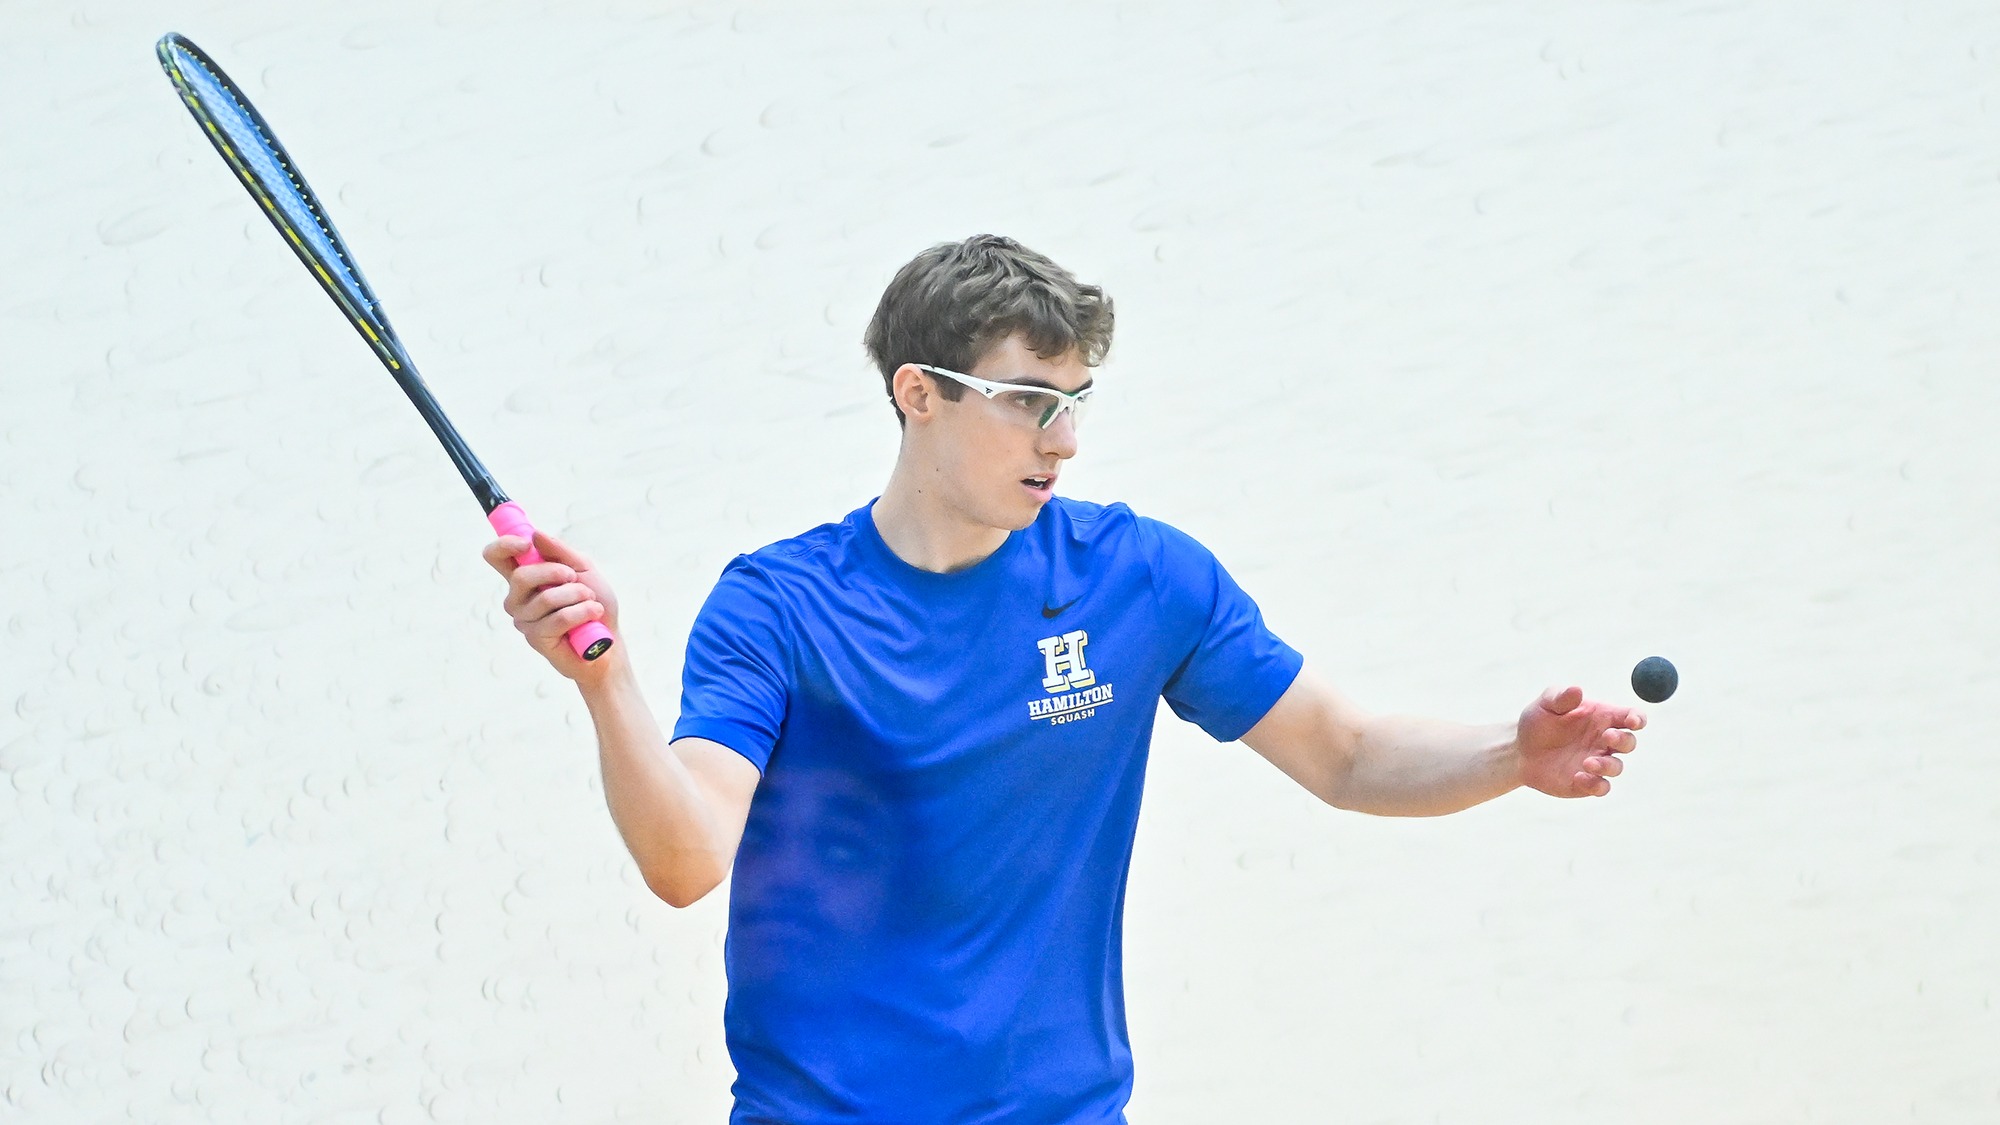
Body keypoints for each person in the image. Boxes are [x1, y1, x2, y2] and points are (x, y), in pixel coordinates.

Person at [482, 234, 1644, 1124]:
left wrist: (1507, 753)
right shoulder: (780, 607)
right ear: (916, 392)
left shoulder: (1138, 578)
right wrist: (605, 685)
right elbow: (686, 861)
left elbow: (1341, 754)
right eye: (1030, 401)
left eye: (1077, 402)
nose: (1064, 440)